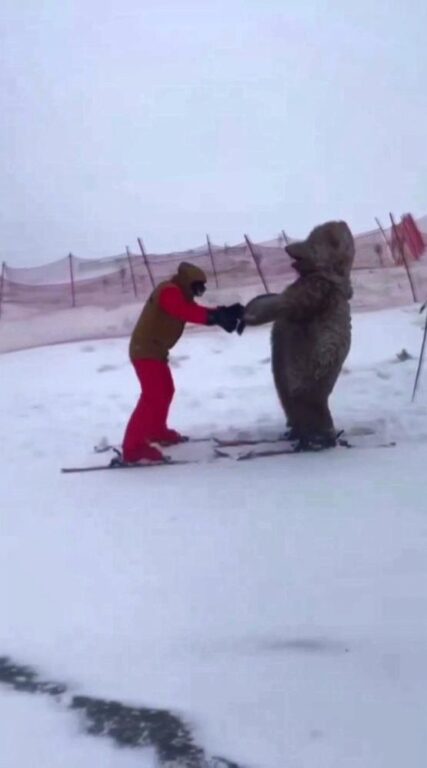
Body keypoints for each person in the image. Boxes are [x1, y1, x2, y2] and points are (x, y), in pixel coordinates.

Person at [122, 262, 243, 463]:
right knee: (152, 396)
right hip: (145, 350)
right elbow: (184, 311)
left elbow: (193, 309)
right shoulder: (169, 292)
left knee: (165, 391)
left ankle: (156, 430)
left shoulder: (178, 294)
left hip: (154, 351)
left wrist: (224, 313)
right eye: (197, 288)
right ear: (187, 283)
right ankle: (132, 448)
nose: (198, 293)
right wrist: (216, 317)